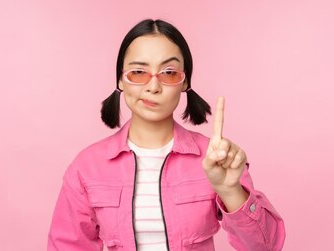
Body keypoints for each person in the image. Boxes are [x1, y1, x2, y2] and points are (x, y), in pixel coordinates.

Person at [46, 19, 285, 251]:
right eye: (138, 72)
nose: (153, 86)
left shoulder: (215, 159)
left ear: (184, 81)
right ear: (121, 79)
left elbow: (266, 247)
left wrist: (231, 191)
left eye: (169, 72)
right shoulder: (87, 167)